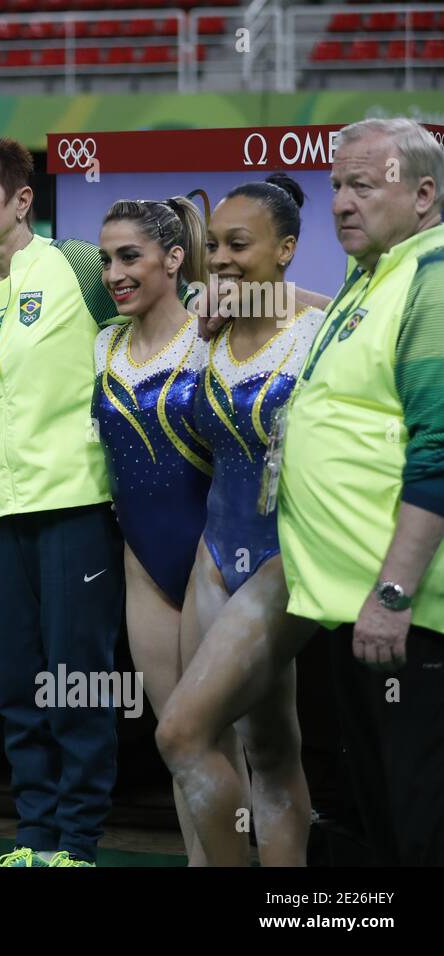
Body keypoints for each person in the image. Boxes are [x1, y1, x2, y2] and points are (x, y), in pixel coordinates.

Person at [0, 133, 126, 868]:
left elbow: (164, 315)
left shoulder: (79, 264)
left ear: (23, 200)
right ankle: (36, 833)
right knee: (15, 683)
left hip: (75, 503)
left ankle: (79, 841)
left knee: (76, 677)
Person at [277, 117, 444, 865]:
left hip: (406, 617)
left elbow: (439, 456)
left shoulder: (433, 280)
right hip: (348, 609)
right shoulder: (373, 273)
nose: (341, 202)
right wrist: (244, 300)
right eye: (335, 186)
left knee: (418, 822)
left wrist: (393, 596)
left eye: (362, 186)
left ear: (423, 193)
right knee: (370, 816)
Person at [156, 175, 326, 866]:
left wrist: (270, 299)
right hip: (214, 553)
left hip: (287, 559)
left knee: (180, 733)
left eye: (239, 245)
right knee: (269, 743)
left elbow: (364, 317)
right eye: (215, 245)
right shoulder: (209, 333)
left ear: (286, 249)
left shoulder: (316, 335)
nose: (220, 259)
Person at [94, 195, 242, 865]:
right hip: (143, 567)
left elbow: (323, 320)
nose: (114, 273)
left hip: (213, 560)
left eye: (130, 257)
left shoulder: (215, 334)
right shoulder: (104, 343)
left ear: (175, 258)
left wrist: (252, 292)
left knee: (218, 740)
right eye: (105, 260)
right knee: (175, 742)